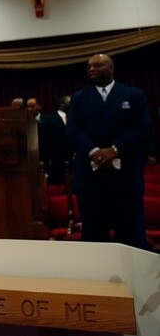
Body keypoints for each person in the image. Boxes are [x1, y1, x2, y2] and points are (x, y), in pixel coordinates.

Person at [67, 54, 151, 249]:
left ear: (111, 69)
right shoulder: (78, 98)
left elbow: (141, 128)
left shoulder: (134, 95)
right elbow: (72, 129)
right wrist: (94, 150)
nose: (91, 69)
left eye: (98, 65)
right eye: (89, 66)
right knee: (94, 236)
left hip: (126, 177)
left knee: (130, 233)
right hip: (91, 178)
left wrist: (114, 150)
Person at [38, 95, 72, 185]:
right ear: (62, 105)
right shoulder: (49, 119)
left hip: (73, 160)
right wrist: (46, 159)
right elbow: (44, 141)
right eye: (69, 103)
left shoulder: (74, 118)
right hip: (56, 160)